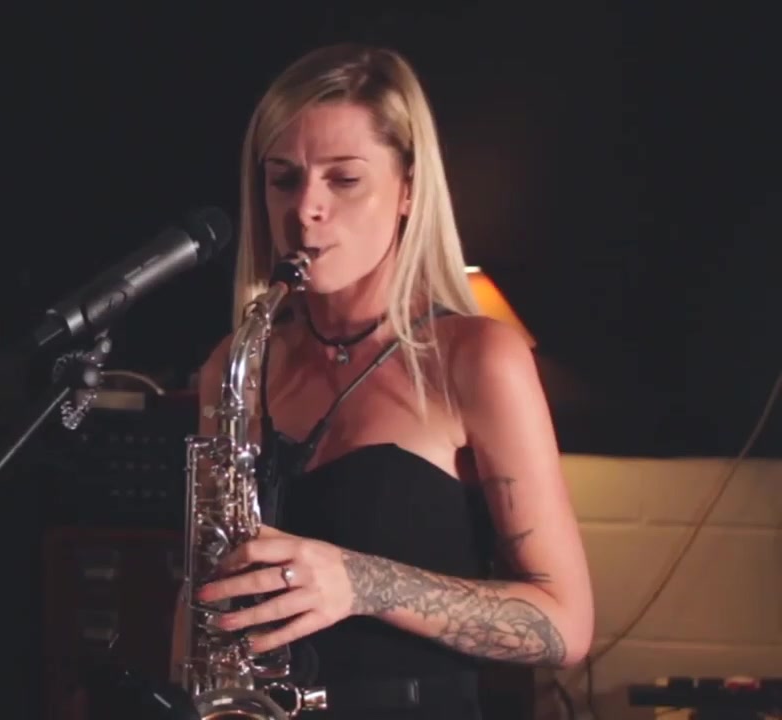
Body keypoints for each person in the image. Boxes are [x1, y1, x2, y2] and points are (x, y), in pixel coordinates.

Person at [169, 43, 595, 719]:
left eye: (344, 180)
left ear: (408, 190)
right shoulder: (236, 364)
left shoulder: (478, 356)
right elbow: (203, 599)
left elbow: (565, 626)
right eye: (284, 180)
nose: (306, 209)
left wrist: (359, 582)